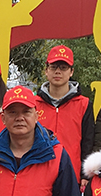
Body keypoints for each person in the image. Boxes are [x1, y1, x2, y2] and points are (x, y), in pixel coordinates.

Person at [34, 45, 94, 185]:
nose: (58, 71)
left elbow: (88, 142)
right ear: (46, 70)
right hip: (38, 173)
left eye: (63, 67)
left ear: (71, 71)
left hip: (71, 175)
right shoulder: (33, 103)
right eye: (53, 67)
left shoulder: (84, 104)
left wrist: (85, 175)